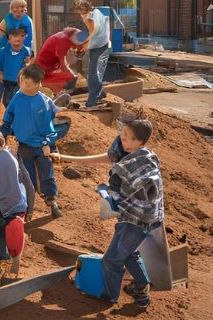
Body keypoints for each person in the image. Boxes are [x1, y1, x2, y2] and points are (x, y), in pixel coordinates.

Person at [50, 119, 163, 307]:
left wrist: (115, 195)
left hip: (136, 220)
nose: (121, 139)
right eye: (122, 134)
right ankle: (141, 288)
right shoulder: (142, 153)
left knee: (112, 260)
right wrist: (67, 159)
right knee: (129, 253)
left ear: (140, 142)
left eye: (127, 138)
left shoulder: (139, 165)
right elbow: (111, 157)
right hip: (140, 217)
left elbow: (146, 182)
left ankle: (109, 297)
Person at [0, 64, 63, 218]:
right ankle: (28, 207)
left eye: (28, 83)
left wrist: (49, 143)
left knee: (46, 174)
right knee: (27, 178)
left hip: (43, 146)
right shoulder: (17, 98)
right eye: (22, 82)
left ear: (37, 84)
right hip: (24, 146)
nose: (23, 86)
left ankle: (51, 200)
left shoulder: (45, 102)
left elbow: (58, 120)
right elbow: (7, 121)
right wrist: (2, 136)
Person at [0, 128, 34, 284]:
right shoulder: (10, 157)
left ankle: (11, 269)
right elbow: (27, 182)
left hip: (6, 206)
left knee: (8, 233)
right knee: (4, 233)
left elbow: (26, 182)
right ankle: (3, 263)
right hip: (14, 205)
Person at [0, 28, 32, 125]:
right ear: (9, 39)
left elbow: (26, 66)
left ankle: (14, 119)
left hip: (17, 81)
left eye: (20, 38)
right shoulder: (2, 52)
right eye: (14, 39)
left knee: (11, 100)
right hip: (3, 78)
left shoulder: (25, 51)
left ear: (23, 39)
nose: (17, 42)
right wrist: (1, 76)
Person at [73, 0, 110, 107]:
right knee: (92, 73)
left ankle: (93, 98)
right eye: (80, 13)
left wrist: (86, 44)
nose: (82, 15)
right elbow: (92, 31)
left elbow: (94, 30)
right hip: (98, 44)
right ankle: (99, 92)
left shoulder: (93, 15)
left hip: (100, 46)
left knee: (93, 73)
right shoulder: (93, 14)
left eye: (83, 12)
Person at [34, 26, 84, 99]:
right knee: (69, 78)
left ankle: (61, 94)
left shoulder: (66, 36)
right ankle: (61, 95)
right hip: (44, 70)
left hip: (48, 67)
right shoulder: (63, 40)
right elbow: (63, 64)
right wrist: (73, 75)